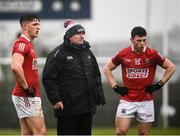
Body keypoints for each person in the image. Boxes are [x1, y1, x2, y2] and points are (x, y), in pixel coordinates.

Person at [103, 26, 175, 135]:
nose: (142, 43)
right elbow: (107, 68)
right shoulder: (123, 53)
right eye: (139, 40)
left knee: (144, 134)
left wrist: (159, 84)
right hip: (127, 100)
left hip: (146, 101)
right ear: (132, 40)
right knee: (120, 132)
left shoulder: (153, 54)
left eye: (144, 40)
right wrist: (115, 86)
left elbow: (171, 67)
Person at [42, 19, 105, 135]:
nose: (82, 36)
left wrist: (99, 93)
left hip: (87, 107)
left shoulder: (88, 52)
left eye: (83, 33)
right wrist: (55, 99)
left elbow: (95, 74)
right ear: (69, 36)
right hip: (68, 108)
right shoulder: (57, 54)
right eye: (78, 33)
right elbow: (48, 78)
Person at [11, 13, 46, 135]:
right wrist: (26, 88)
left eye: (38, 24)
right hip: (26, 95)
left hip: (29, 95)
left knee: (27, 133)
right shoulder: (21, 43)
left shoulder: (29, 44)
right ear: (25, 26)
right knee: (40, 132)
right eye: (35, 24)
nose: (38, 27)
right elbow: (15, 67)